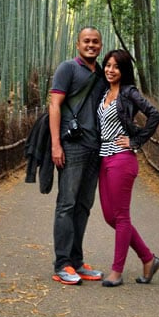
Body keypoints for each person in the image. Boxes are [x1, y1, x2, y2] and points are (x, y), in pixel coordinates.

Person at [97, 49, 159, 287]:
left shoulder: (129, 92)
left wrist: (135, 141)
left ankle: (116, 271)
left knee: (121, 216)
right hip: (103, 158)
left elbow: (154, 114)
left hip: (122, 158)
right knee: (109, 216)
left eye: (116, 66)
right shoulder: (104, 92)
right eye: (107, 65)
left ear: (124, 71)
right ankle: (148, 258)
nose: (110, 70)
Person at [48, 26, 106, 284]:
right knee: (67, 204)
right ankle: (62, 264)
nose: (91, 45)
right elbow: (54, 105)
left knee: (83, 206)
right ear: (78, 44)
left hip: (96, 148)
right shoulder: (67, 68)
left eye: (95, 42)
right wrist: (56, 144)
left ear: (100, 45)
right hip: (72, 146)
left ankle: (77, 262)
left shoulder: (104, 73)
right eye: (86, 41)